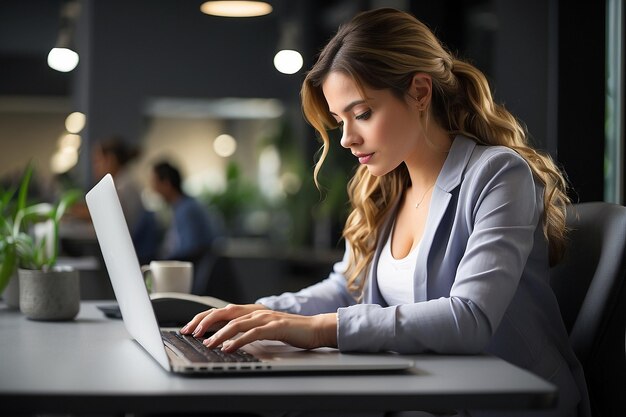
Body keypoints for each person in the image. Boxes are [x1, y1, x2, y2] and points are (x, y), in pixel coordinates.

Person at [181, 8, 589, 417]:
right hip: (422, 396)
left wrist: (321, 329)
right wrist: (263, 312)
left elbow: (470, 318)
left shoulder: (498, 174)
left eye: (362, 114)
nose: (346, 138)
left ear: (420, 92)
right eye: (340, 120)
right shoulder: (386, 186)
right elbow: (346, 288)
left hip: (505, 405)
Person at [150, 160, 216, 262]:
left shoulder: (187, 210)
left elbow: (189, 252)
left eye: (155, 182)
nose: (153, 189)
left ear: (167, 184)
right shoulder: (182, 207)